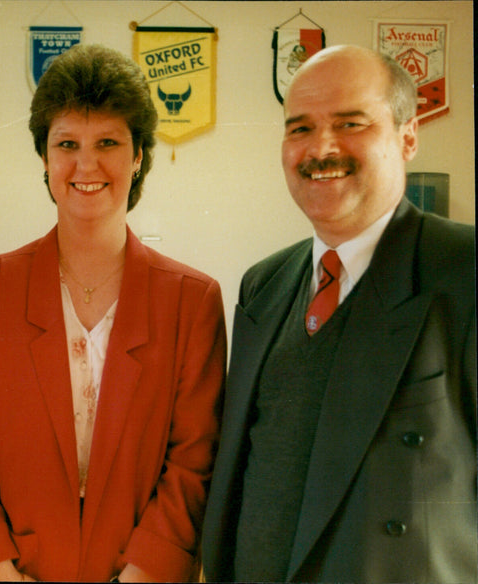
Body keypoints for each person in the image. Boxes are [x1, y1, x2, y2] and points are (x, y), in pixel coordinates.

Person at [0, 44, 226, 582]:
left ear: (138, 155)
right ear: (44, 158)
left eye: (108, 143)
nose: (86, 164)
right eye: (66, 143)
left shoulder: (193, 300)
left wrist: (141, 575)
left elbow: (193, 462)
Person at [201, 45, 476, 583]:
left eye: (350, 123)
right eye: (299, 128)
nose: (321, 148)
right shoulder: (264, 285)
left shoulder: (465, 271)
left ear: (408, 136)